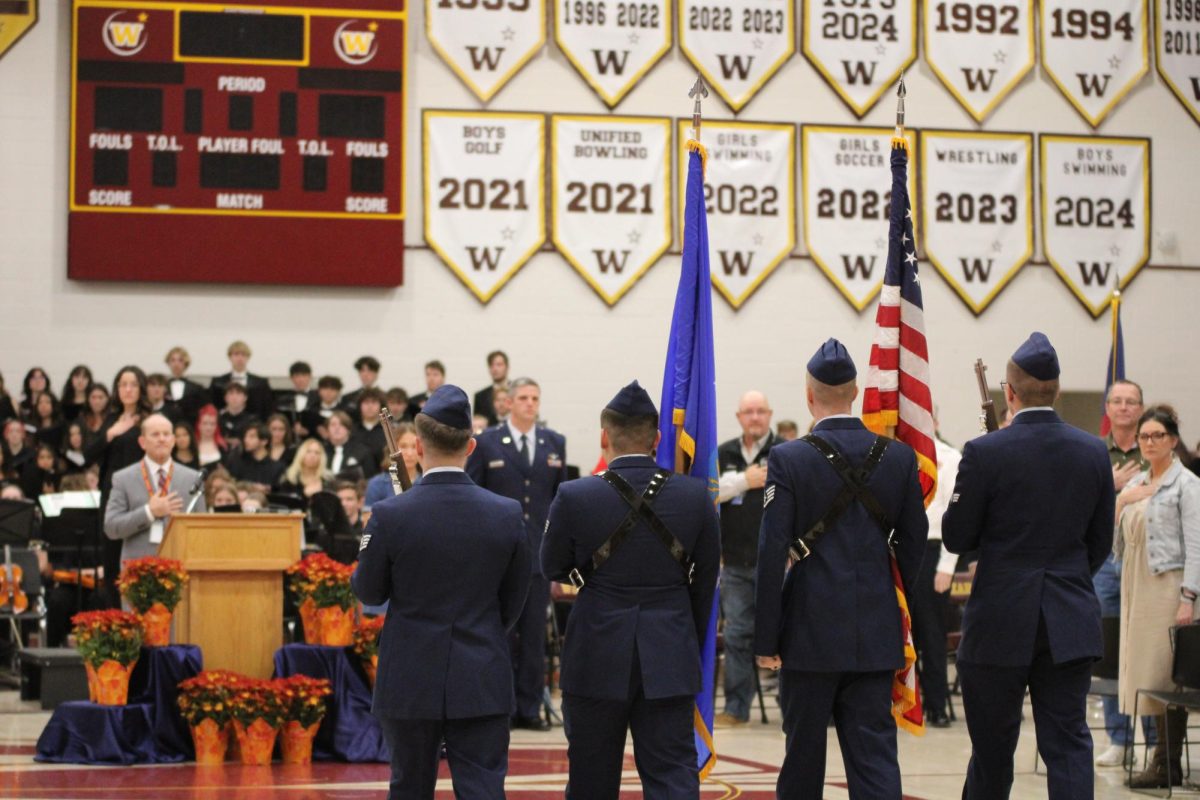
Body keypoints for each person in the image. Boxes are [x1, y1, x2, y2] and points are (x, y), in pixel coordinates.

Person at [943, 332, 1115, 800]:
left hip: (1000, 615)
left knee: (993, 750)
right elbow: (1100, 541)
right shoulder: (1093, 450)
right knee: (1068, 745)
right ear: (1056, 390)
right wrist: (1066, 574)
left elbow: (957, 536)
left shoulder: (985, 452)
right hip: (1070, 614)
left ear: (1010, 392)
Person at [754, 339, 928, 800]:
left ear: (809, 396)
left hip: (807, 633)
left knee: (803, 758)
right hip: (876, 629)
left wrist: (766, 638)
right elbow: (914, 546)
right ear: (855, 393)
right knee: (874, 760)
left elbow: (772, 551)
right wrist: (906, 619)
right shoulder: (898, 457)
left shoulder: (789, 458)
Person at [542, 381, 720, 799]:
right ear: (657, 438)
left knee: (590, 776)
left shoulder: (574, 495)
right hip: (670, 651)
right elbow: (706, 579)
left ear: (604, 437)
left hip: (595, 651)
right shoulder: (695, 496)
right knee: (672, 775)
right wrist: (682, 634)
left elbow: (550, 565)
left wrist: (592, 576)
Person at [353, 385, 531, 800]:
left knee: (409, 788)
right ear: (470, 446)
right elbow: (514, 600)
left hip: (410, 674)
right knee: (484, 789)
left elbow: (369, 591)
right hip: (481, 669)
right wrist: (482, 629)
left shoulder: (389, 513)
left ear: (417, 444)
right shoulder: (505, 513)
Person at [466, 376, 567, 730]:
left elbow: (559, 503)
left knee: (535, 637)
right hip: (499, 555)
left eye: (535, 398)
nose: (530, 404)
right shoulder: (488, 442)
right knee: (501, 635)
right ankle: (502, 707)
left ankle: (529, 707)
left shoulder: (554, 443)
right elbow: (474, 496)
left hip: (537, 554)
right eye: (523, 397)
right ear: (508, 402)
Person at [1117, 406, 1200, 788]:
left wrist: (1189, 596)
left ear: (1173, 441)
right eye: (1144, 437)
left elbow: (1197, 546)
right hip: (1137, 583)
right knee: (1145, 673)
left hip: (1170, 586)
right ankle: (1162, 759)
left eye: (1157, 436)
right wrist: (1121, 500)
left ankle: (1166, 761)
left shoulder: (1188, 485)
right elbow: (1113, 532)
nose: (1149, 442)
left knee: (1168, 677)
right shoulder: (1137, 483)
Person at [1094, 378, 1150, 767]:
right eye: (1118, 401)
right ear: (1108, 409)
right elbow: (1077, 502)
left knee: (1146, 650)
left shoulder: (1158, 448)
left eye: (1132, 401)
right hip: (1106, 564)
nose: (1125, 407)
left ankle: (1154, 739)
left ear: (1141, 408)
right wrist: (1109, 486)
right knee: (1111, 649)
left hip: (1148, 564)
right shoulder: (1094, 452)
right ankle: (1119, 737)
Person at [714, 389, 777, 728]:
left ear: (769, 415)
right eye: (748, 411)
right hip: (735, 562)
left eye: (760, 411)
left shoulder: (784, 451)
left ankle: (793, 705)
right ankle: (737, 708)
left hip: (777, 563)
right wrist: (743, 481)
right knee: (737, 634)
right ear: (739, 417)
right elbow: (709, 491)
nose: (755, 417)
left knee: (784, 633)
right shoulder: (723, 453)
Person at [85, 366, 152, 606]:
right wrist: (111, 433)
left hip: (140, 495)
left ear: (141, 388)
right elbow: (87, 455)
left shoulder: (149, 420)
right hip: (111, 495)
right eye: (123, 384)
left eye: (133, 384)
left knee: (138, 560)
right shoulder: (111, 419)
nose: (127, 389)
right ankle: (117, 621)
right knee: (111, 562)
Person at [908, 425, 961, 728]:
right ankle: (902, 705)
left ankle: (936, 705)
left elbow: (954, 513)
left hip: (933, 550)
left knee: (932, 635)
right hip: (899, 549)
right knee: (899, 634)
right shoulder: (895, 454)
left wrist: (947, 565)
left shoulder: (949, 457)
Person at [104, 414, 206, 568]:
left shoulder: (192, 478)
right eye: (155, 434)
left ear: (173, 441)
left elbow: (202, 531)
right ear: (142, 442)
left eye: (166, 434)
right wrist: (149, 512)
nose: (162, 439)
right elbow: (111, 528)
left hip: (181, 570)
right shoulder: (123, 478)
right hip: (137, 573)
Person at [210, 340, 273, 419]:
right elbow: (214, 409)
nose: (240, 358)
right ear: (230, 357)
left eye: (243, 355)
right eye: (236, 354)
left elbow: (267, 410)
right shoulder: (218, 383)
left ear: (248, 358)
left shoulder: (261, 383)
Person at [364, 421, 421, 510]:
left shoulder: (428, 482)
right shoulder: (377, 484)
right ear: (392, 449)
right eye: (403, 446)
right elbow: (368, 520)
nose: (410, 453)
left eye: (414, 447)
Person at [227, 422, 284, 489]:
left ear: (264, 441)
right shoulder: (238, 462)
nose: (246, 440)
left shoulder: (277, 467)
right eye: (245, 436)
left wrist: (267, 488)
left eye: (252, 436)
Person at [324, 410, 376, 480]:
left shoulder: (362, 451)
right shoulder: (321, 451)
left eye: (342, 424)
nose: (337, 428)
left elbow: (370, 478)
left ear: (348, 430)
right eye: (333, 425)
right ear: (327, 430)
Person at [164, 346, 208, 422]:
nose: (176, 364)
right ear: (168, 363)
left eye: (180, 360)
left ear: (186, 363)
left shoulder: (197, 389)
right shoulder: (162, 387)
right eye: (173, 360)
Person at [275, 361, 319, 434]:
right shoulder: (282, 399)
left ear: (310, 377)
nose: (301, 379)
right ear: (291, 378)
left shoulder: (319, 398)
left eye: (304, 375)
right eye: (297, 376)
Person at [474, 350, 510, 427]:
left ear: (507, 367)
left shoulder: (518, 392)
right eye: (491, 365)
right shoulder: (480, 396)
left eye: (499, 365)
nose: (495, 369)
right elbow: (476, 425)